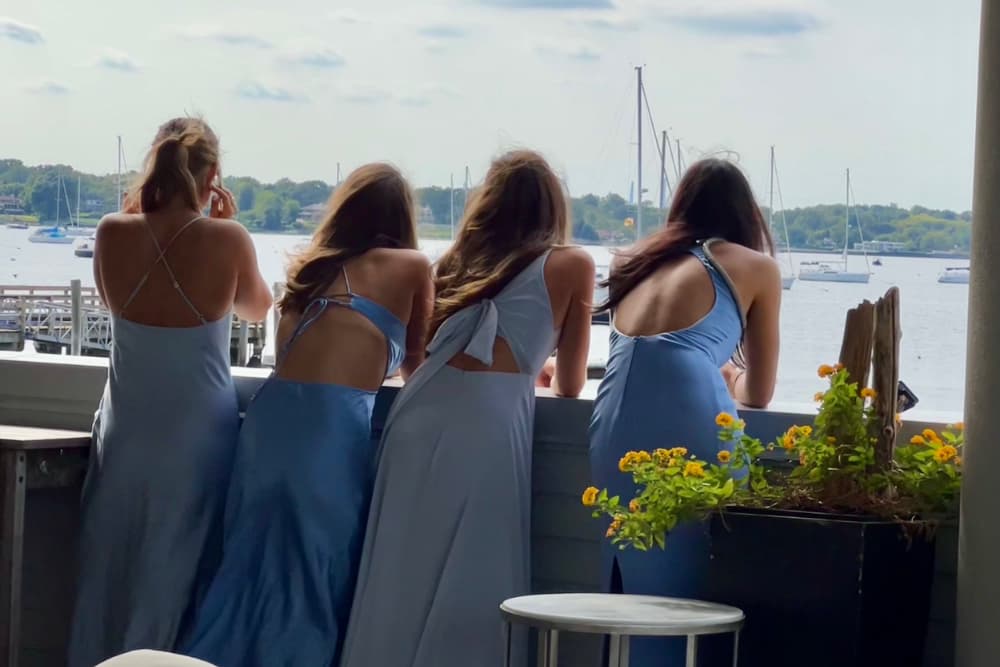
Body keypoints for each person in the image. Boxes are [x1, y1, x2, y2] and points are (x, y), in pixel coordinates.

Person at [340, 150, 594, 667]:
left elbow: (425, 356)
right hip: (488, 423)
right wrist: (531, 365)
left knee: (399, 572)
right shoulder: (572, 264)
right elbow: (570, 383)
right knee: (477, 570)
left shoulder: (453, 261)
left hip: (420, 412)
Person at [178, 164, 432, 667]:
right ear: (401, 217)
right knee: (315, 570)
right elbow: (416, 364)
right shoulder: (411, 265)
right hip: (330, 427)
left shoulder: (307, 272)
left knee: (247, 569)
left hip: (270, 424)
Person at [69, 117, 272, 667]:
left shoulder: (112, 231)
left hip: (128, 422)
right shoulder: (227, 237)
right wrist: (224, 225)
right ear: (212, 178)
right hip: (197, 428)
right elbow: (257, 308)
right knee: (181, 563)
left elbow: (114, 305)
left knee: (113, 561)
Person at [589, 158, 781, 666]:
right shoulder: (754, 266)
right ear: (746, 216)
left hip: (614, 421)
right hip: (689, 424)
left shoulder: (635, 261)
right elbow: (759, 393)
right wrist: (728, 375)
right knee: (691, 593)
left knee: (629, 578)